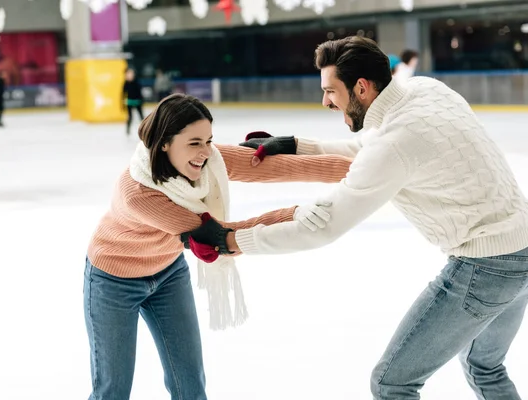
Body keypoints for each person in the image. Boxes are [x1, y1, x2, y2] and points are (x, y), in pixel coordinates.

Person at [180, 36, 528, 400]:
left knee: (392, 384)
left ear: (361, 87)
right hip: (522, 245)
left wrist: (231, 240)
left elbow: (323, 225)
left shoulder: (394, 143)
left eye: (331, 91)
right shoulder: (426, 92)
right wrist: (295, 144)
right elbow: (375, 147)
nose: (325, 101)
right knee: (485, 367)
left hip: (486, 267)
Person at [84, 93, 352, 400]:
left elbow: (279, 168)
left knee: (190, 386)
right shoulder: (138, 193)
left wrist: (364, 171)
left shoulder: (210, 161)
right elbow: (220, 237)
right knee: (112, 391)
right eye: (195, 143)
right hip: (113, 281)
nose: (206, 151)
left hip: (168, 273)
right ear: (165, 143)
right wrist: (291, 215)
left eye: (209, 140)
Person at [122, 68, 145, 134]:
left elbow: (140, 92)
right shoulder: (126, 82)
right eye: (128, 74)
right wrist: (122, 103)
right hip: (130, 101)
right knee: (130, 117)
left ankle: (145, 129)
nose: (129, 75)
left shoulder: (136, 82)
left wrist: (141, 100)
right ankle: (128, 130)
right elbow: (123, 93)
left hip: (137, 101)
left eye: (131, 74)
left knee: (141, 116)